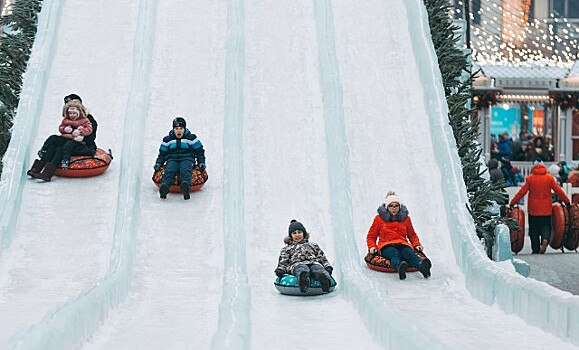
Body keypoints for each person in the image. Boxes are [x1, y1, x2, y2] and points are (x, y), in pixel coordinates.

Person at [27, 95, 95, 181]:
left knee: (60, 149)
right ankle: (36, 169)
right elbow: (61, 128)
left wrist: (78, 132)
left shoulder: (87, 119)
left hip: (83, 145)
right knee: (52, 147)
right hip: (68, 141)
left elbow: (90, 135)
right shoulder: (68, 118)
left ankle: (47, 173)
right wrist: (65, 130)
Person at [366, 191, 431, 280]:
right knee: (394, 254)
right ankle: (399, 266)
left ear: (399, 207)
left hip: (402, 243)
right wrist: (372, 246)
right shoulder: (379, 219)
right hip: (386, 245)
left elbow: (412, 235)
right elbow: (371, 236)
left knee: (408, 253)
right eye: (391, 206)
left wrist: (416, 244)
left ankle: (422, 266)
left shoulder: (406, 219)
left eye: (396, 206)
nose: (394, 208)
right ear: (387, 207)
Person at [510, 159, 570, 254]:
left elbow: (522, 192)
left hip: (533, 209)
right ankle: (545, 239)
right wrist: (566, 201)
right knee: (546, 226)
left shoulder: (530, 178)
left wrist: (512, 202)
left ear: (534, 167)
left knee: (534, 229)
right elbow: (558, 190)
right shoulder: (549, 178)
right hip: (546, 209)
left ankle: (536, 249)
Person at [274, 220, 334, 293]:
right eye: (294, 233)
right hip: (296, 264)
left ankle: (324, 280)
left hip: (313, 262)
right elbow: (283, 261)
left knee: (317, 268)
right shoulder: (287, 249)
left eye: (299, 232)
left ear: (304, 233)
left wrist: (327, 266)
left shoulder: (313, 245)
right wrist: (280, 270)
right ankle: (303, 281)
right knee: (302, 269)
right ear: (291, 236)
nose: (297, 235)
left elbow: (322, 257)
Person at [154, 116, 206, 200]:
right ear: (173, 129)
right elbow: (162, 154)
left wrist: (201, 162)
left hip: (187, 158)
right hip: (172, 159)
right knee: (169, 169)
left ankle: (185, 187)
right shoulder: (167, 140)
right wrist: (158, 163)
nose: (179, 130)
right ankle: (164, 187)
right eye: (176, 128)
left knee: (185, 169)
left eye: (181, 128)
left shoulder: (191, 138)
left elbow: (200, 151)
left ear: (184, 129)